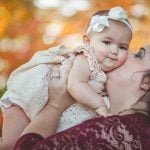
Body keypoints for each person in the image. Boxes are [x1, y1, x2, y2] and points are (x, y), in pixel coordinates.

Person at [0, 6, 132, 149]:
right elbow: (76, 84)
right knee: (10, 144)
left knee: (25, 142)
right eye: (107, 42)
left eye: (123, 47)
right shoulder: (85, 58)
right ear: (87, 42)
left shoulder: (110, 72)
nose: (114, 51)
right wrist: (100, 105)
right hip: (27, 97)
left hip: (42, 109)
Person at [14, 44, 150, 150]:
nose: (128, 53)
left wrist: (54, 106)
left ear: (146, 82)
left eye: (138, 55)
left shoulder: (115, 131)